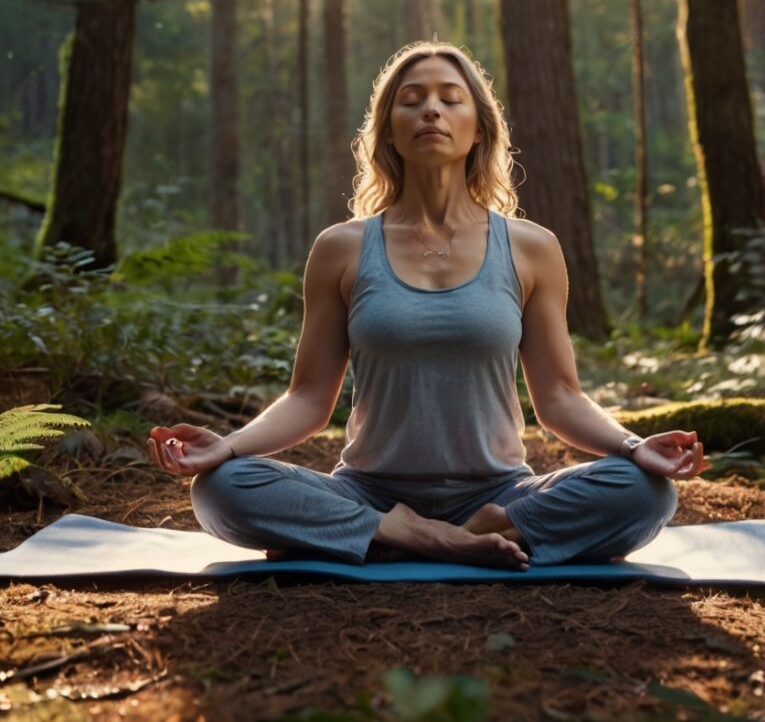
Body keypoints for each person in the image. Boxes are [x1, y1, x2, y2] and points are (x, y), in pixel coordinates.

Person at [148, 41, 705, 568]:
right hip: (368, 492)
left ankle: (438, 533)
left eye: (450, 99)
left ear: (479, 127)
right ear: (388, 130)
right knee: (222, 489)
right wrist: (227, 447)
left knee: (645, 492)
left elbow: (559, 397)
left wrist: (635, 448)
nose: (431, 111)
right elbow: (308, 398)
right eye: (411, 101)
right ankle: (411, 534)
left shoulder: (532, 247)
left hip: (500, 492)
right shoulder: (341, 248)